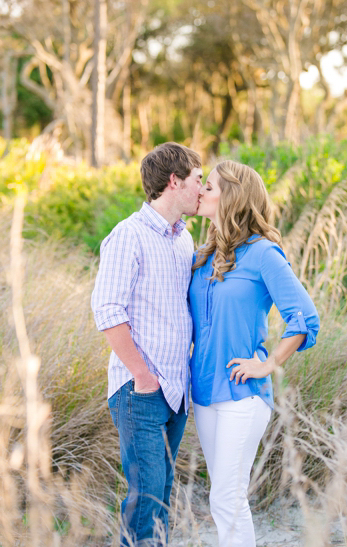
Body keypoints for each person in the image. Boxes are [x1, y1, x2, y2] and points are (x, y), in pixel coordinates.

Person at [189, 160, 320, 547]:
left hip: (242, 393)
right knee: (222, 498)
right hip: (203, 392)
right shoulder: (202, 256)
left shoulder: (264, 254)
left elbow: (304, 318)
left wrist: (267, 363)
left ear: (231, 196)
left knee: (226, 497)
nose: (201, 192)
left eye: (209, 187)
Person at [91, 142, 203, 547]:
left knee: (162, 497)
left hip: (175, 392)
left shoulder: (183, 240)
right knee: (148, 496)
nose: (202, 189)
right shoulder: (129, 235)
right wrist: (142, 376)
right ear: (174, 181)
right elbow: (107, 310)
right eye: (197, 180)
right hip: (141, 390)